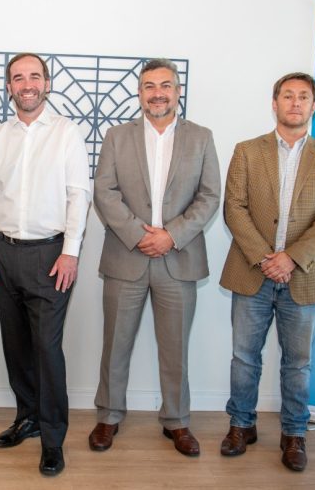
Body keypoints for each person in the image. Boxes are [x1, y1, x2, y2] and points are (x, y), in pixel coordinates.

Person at [89, 58, 221, 457]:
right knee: (115, 344)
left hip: (178, 259)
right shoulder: (117, 136)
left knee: (175, 347)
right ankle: (108, 415)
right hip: (126, 256)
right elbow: (104, 192)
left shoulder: (201, 137)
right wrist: (137, 234)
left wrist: (171, 235)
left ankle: (177, 421)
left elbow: (210, 196)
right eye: (149, 86)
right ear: (140, 93)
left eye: (165, 85)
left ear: (178, 91)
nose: (157, 93)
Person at [219, 72, 315, 472]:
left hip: (303, 276)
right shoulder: (246, 151)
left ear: (313, 106)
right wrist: (265, 257)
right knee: (244, 358)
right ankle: (241, 425)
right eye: (287, 96)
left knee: (298, 364)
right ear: (274, 104)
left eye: (303, 96)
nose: (295, 103)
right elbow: (234, 207)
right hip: (252, 273)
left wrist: (290, 258)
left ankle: (294, 434)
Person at [0, 53, 91, 476]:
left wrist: (71, 251)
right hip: (5, 253)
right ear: (9, 87)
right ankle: (28, 418)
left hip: (50, 255)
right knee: (17, 345)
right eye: (18, 77)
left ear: (47, 83)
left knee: (47, 348)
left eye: (34, 76)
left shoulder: (66, 133)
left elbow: (79, 195)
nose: (27, 84)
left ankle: (53, 438)